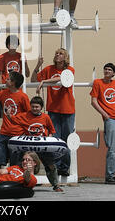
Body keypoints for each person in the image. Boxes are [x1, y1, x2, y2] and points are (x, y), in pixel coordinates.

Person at [31, 48, 75, 176]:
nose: (57, 54)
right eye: (56, 53)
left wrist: (44, 81)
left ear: (65, 57)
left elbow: (60, 79)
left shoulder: (69, 70)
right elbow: (34, 80)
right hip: (53, 110)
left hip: (67, 110)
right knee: (55, 141)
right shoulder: (49, 69)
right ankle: (56, 167)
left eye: (60, 53)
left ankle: (64, 168)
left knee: (66, 140)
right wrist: (38, 66)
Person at [6, 96, 64, 192]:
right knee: (21, 163)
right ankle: (16, 183)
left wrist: (48, 140)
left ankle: (56, 185)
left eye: (37, 107)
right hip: (29, 146)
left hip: (43, 146)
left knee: (51, 165)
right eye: (33, 107)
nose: (34, 109)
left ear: (41, 107)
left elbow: (52, 130)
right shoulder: (25, 116)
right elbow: (13, 120)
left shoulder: (46, 117)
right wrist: (8, 114)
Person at [0, 71, 30, 168]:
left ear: (13, 83)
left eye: (8, 79)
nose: (5, 80)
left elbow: (29, 115)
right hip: (4, 133)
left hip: (17, 134)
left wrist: (25, 132)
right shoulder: (4, 93)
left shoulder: (23, 97)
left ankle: (14, 180)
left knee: (15, 163)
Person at [0, 34, 30, 117]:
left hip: (18, 90)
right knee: (6, 114)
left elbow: (27, 74)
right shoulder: (2, 57)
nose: (13, 45)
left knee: (19, 114)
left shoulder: (21, 56)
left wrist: (24, 63)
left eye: (15, 43)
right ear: (7, 45)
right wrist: (1, 91)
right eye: (11, 43)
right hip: (6, 89)